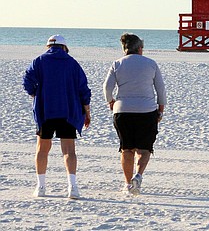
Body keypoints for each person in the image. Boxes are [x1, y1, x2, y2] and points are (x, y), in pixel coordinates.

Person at [23, 35, 91, 199]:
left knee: (42, 148)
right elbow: (83, 89)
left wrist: (35, 93)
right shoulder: (72, 63)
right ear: (64, 47)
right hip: (67, 111)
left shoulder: (39, 61)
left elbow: (27, 81)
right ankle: (72, 187)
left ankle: (41, 186)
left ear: (48, 46)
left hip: (46, 111)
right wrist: (86, 111)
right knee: (68, 150)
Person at [103, 33, 167, 195]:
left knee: (126, 149)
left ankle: (127, 183)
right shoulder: (151, 64)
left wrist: (110, 101)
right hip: (146, 110)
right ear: (139, 48)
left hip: (123, 111)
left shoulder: (117, 64)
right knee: (145, 149)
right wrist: (160, 109)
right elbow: (160, 89)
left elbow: (107, 87)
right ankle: (138, 176)